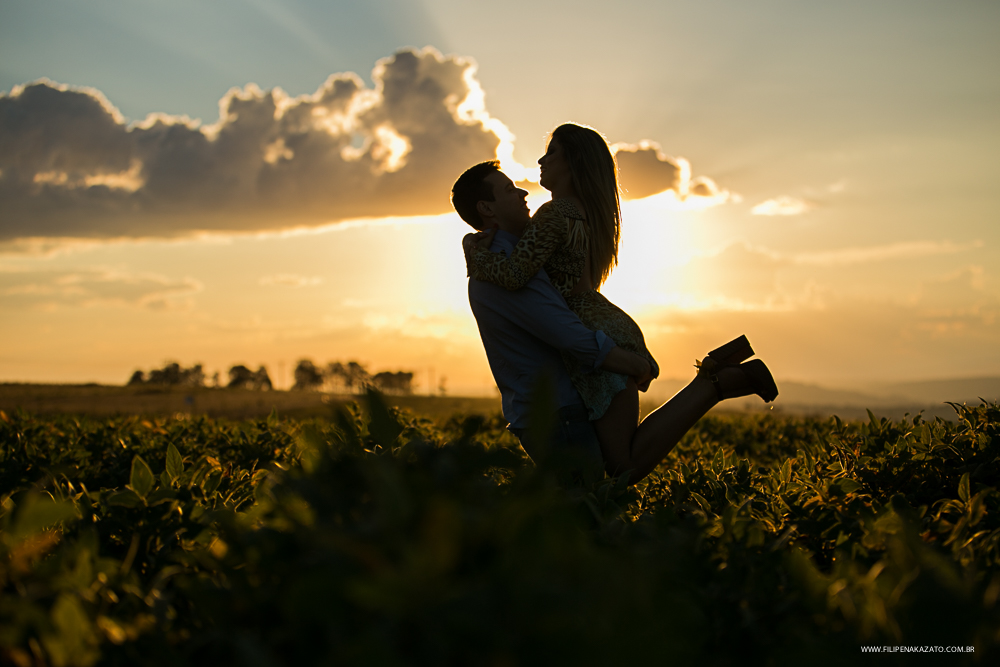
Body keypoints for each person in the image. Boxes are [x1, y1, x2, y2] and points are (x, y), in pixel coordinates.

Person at [453, 143, 776, 484]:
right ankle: (714, 382)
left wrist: (473, 252)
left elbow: (551, 314)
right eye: (508, 189)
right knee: (619, 470)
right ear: (486, 207)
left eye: (552, 153)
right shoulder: (539, 238)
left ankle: (713, 384)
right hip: (564, 396)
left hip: (563, 396)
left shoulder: (520, 245)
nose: (522, 191)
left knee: (608, 483)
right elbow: (561, 328)